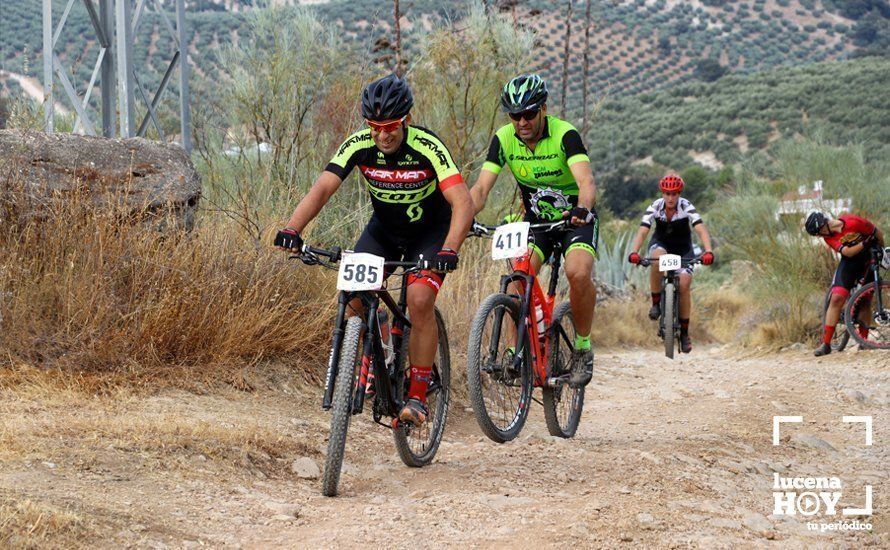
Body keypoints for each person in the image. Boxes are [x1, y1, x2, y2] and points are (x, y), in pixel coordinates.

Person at [274, 74, 474, 426]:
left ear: (406, 121)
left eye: (391, 127)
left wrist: (450, 249)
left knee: (419, 299)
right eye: (375, 127)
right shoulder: (358, 145)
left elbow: (463, 202)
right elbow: (322, 188)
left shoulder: (427, 146)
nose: (383, 135)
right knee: (352, 296)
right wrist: (293, 228)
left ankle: (417, 396)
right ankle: (375, 338)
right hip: (384, 231)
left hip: (430, 234)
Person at [469, 74, 599, 388]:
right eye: (515, 115)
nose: (522, 121)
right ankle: (517, 350)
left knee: (578, 273)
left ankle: (582, 347)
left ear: (543, 108)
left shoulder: (565, 134)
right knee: (517, 278)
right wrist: (462, 219)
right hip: (537, 223)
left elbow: (586, 183)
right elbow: (481, 189)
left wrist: (582, 208)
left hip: (574, 221)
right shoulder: (503, 139)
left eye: (529, 113)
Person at [627, 174, 714, 353]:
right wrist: (634, 252)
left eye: (674, 194)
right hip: (662, 245)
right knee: (658, 259)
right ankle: (656, 303)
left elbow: (700, 229)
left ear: (679, 193)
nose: (670, 198)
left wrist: (708, 251)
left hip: (683, 250)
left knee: (684, 284)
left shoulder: (686, 206)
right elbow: (643, 231)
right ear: (662, 193)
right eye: (667, 193)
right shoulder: (655, 207)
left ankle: (684, 334)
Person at [805, 211, 885, 357]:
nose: (819, 237)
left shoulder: (854, 222)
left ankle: (864, 342)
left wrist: (882, 251)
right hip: (849, 263)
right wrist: (865, 243)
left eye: (818, 233)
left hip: (869, 260)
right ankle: (826, 344)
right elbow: (848, 252)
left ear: (823, 226)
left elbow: (877, 232)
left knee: (865, 301)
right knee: (836, 298)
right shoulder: (828, 237)